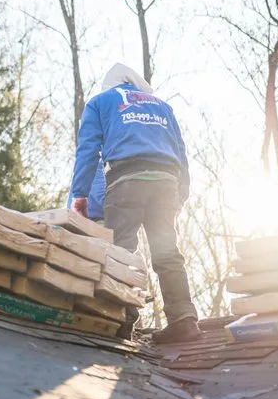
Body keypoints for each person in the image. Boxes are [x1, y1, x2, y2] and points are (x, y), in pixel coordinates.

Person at [69, 63, 199, 343]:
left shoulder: (100, 102)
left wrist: (79, 194)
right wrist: (182, 193)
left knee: (122, 250)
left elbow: (88, 150)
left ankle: (122, 320)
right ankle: (183, 319)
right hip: (167, 180)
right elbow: (181, 151)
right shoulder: (163, 107)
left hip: (127, 178)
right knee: (167, 251)